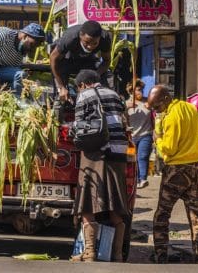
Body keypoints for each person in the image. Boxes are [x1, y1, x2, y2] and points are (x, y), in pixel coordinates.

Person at [71, 70, 130, 263]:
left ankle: (90, 252)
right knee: (115, 203)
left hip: (96, 154)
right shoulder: (116, 95)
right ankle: (117, 254)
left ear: (82, 85)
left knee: (88, 201)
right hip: (119, 155)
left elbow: (79, 127)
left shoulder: (84, 95)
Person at [146, 85, 198, 264]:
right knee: (195, 215)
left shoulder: (171, 117)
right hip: (196, 168)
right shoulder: (189, 108)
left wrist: (157, 139)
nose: (156, 111)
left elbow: (168, 148)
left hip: (176, 171)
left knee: (162, 214)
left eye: (157, 107)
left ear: (166, 99)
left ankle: (161, 255)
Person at [50, 21, 112, 103]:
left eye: (95, 43)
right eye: (86, 42)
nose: (90, 46)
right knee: (61, 93)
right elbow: (53, 59)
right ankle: (60, 104)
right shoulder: (70, 38)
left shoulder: (105, 39)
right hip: (67, 59)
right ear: (80, 35)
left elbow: (106, 61)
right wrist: (61, 87)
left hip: (88, 61)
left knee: (106, 75)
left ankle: (106, 102)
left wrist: (95, 76)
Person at [126, 79, 153, 189]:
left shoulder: (148, 102)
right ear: (131, 92)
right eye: (138, 90)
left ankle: (143, 179)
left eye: (141, 89)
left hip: (145, 135)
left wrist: (152, 107)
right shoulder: (126, 104)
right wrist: (126, 108)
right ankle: (135, 179)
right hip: (130, 137)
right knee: (132, 157)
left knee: (143, 156)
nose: (140, 92)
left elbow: (159, 111)